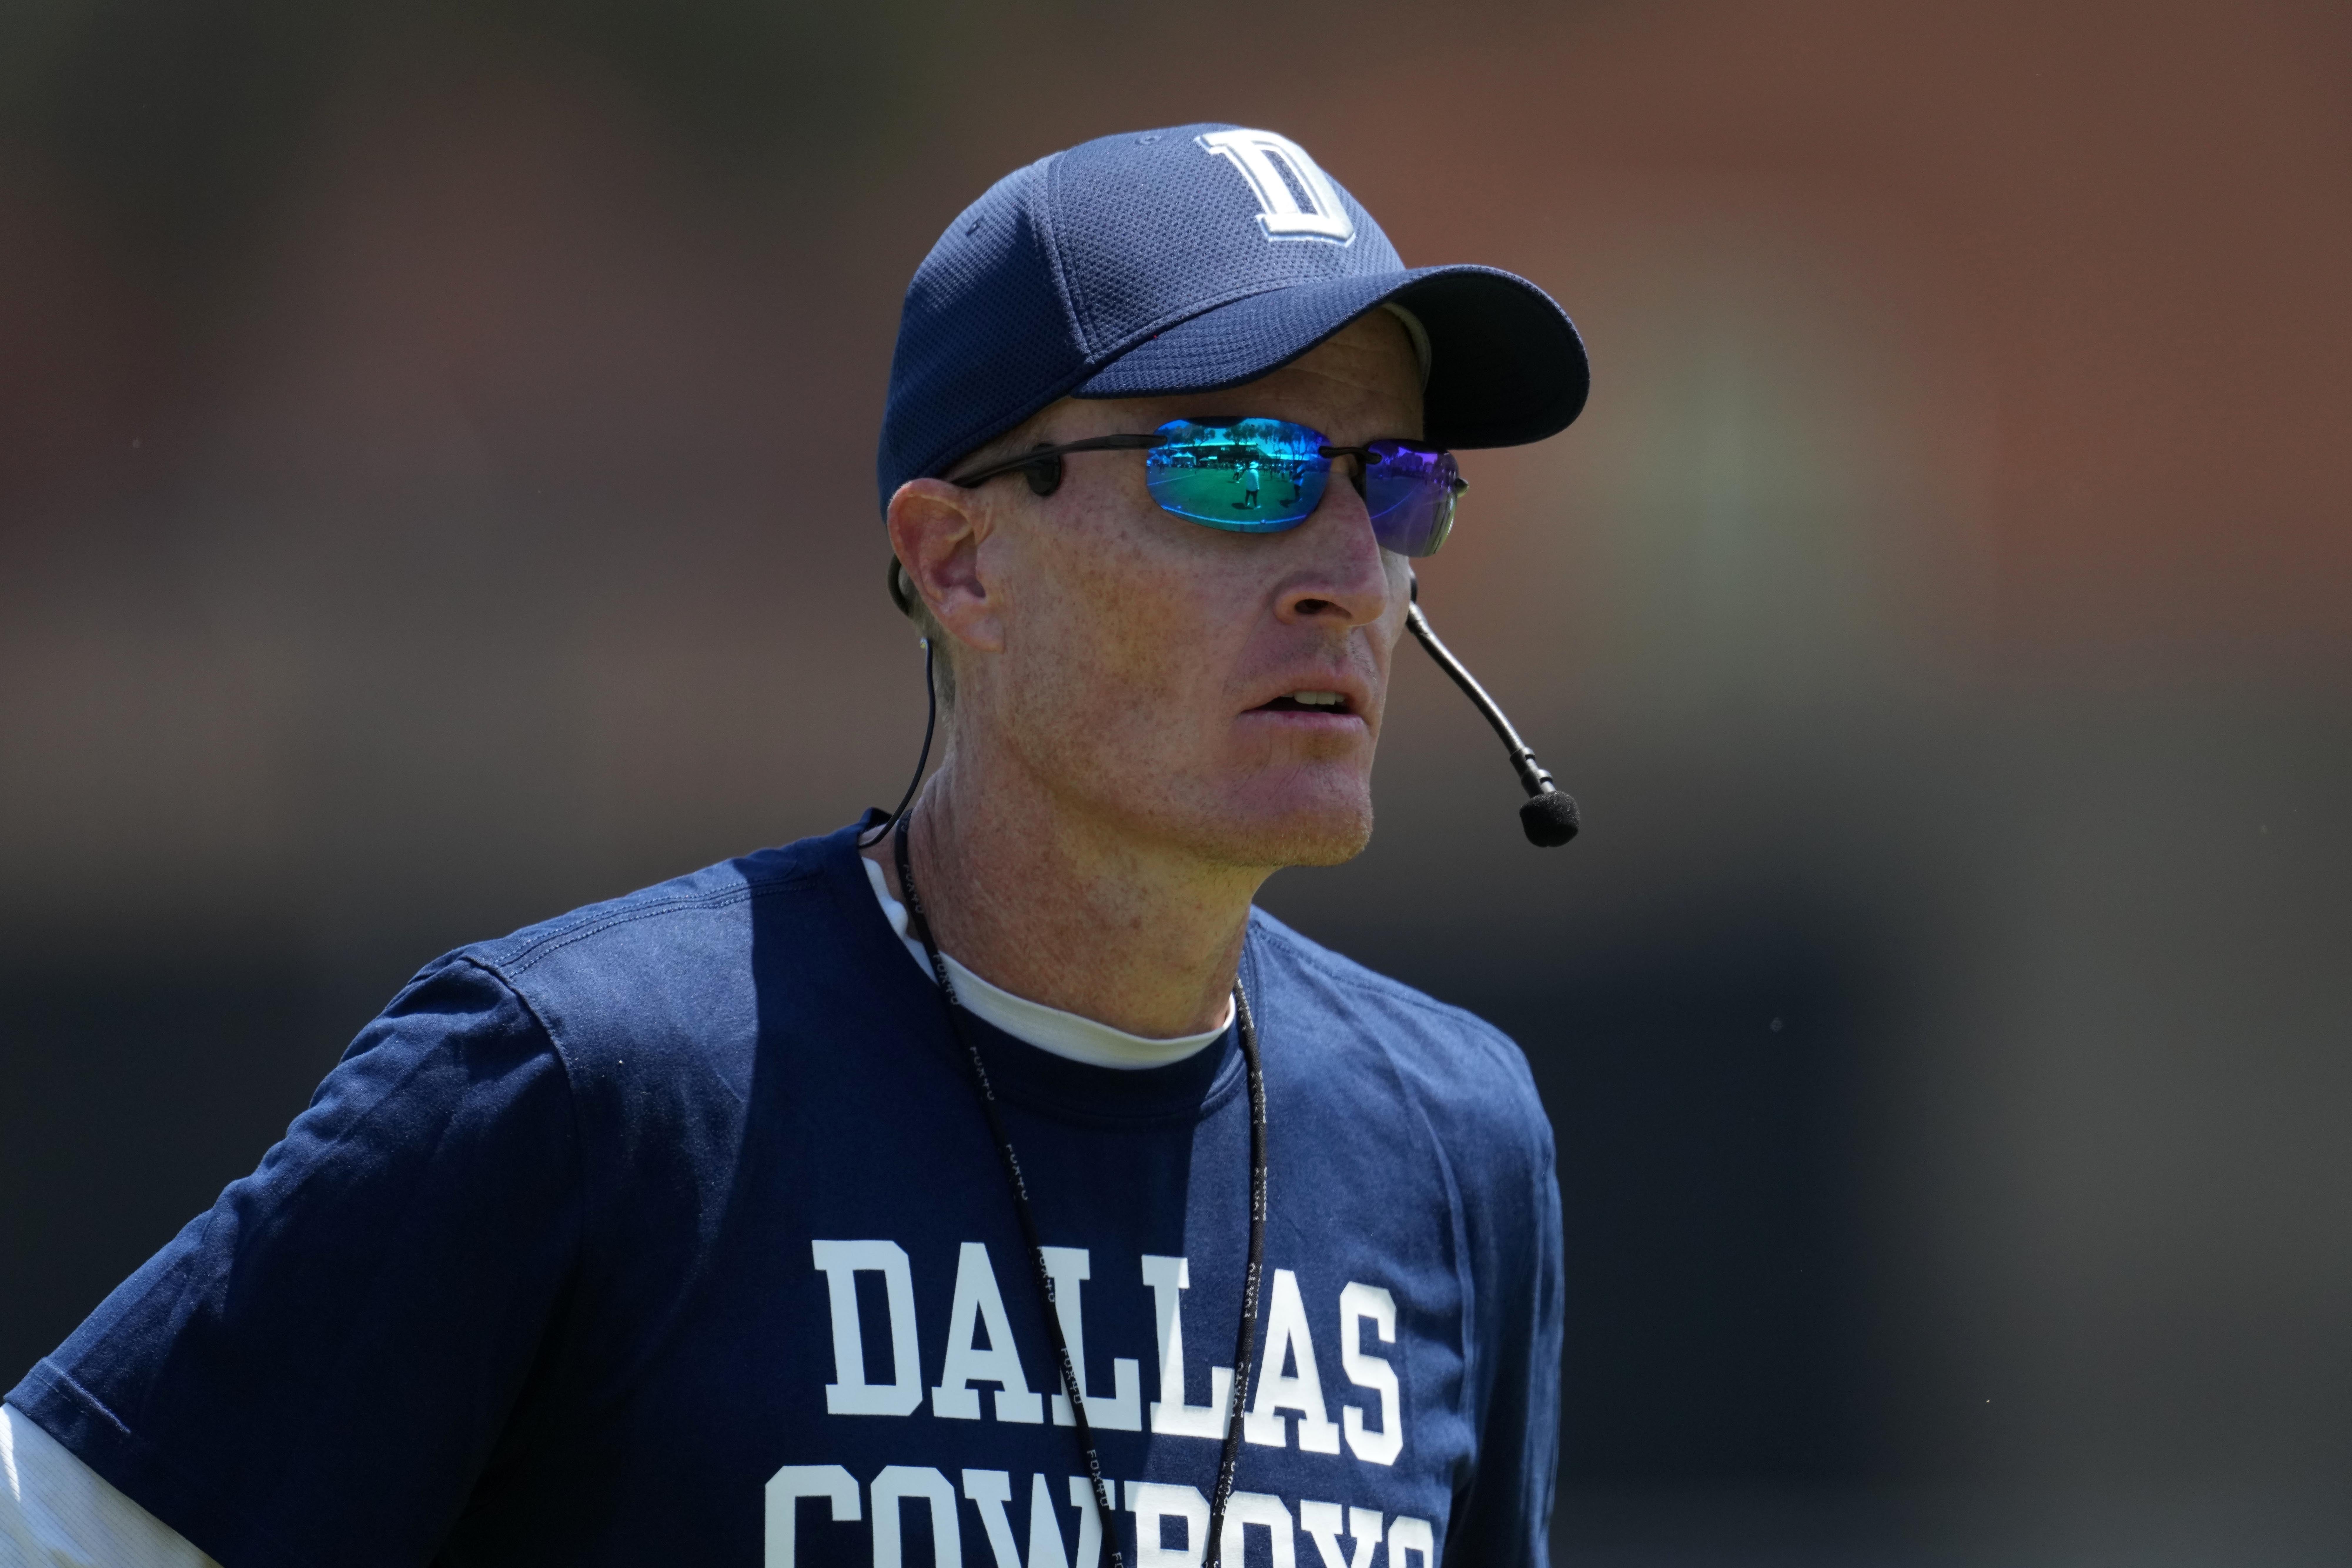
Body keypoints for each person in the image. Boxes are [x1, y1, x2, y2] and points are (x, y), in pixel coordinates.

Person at [1, 122, 1587, 1568]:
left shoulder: (1457, 1144)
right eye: (1234, 466)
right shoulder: (580, 1089)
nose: (1342, 568)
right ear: (959, 562)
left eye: (1393, 485)